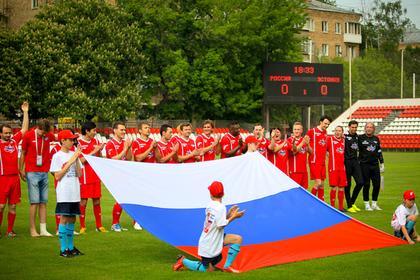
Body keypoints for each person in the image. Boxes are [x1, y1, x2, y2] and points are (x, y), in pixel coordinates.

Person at [173, 181, 245, 273]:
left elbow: (218, 223)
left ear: (211, 194)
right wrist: (234, 216)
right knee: (209, 270)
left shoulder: (211, 205)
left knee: (237, 239)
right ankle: (183, 261)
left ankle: (227, 267)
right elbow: (220, 225)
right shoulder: (220, 207)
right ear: (223, 194)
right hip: (209, 243)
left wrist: (229, 214)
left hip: (212, 239)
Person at [50, 130, 84, 257]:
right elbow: (57, 176)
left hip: (75, 190)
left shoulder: (73, 154)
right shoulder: (57, 156)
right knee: (64, 217)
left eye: (73, 139)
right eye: (70, 139)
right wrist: (72, 159)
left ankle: (71, 247)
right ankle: (63, 249)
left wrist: (76, 159)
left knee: (73, 217)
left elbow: (79, 174)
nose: (72, 141)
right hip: (64, 192)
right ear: (62, 141)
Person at [20, 119, 55, 237]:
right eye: (43, 132)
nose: (45, 135)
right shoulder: (29, 135)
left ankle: (43, 229)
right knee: (34, 202)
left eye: (46, 132)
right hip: (32, 171)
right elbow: (23, 153)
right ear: (38, 128)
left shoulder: (48, 135)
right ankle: (32, 229)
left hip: (44, 171)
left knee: (43, 202)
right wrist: (21, 169)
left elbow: (58, 137)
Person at [0, 102, 29, 237]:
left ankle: (10, 231)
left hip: (14, 178)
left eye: (10, 133)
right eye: (5, 133)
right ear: (1, 134)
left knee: (13, 206)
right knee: (0, 206)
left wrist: (25, 112)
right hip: (2, 178)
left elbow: (24, 129)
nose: (8, 135)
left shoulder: (14, 141)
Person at [78, 121, 107, 234]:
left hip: (95, 176)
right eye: (93, 130)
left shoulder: (96, 141)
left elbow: (99, 158)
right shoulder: (79, 143)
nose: (95, 132)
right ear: (87, 131)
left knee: (97, 201)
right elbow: (80, 160)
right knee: (83, 202)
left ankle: (99, 225)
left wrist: (99, 151)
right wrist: (94, 151)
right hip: (84, 177)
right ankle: (82, 226)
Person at [106, 122, 132, 232]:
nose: (124, 132)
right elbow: (113, 159)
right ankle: (114, 223)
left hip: (124, 174)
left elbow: (129, 158)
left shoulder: (124, 143)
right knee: (119, 199)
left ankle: (117, 223)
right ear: (115, 130)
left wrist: (129, 148)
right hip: (114, 174)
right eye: (121, 130)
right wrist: (125, 149)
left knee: (123, 199)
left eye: (124, 130)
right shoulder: (110, 144)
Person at [131, 122, 156, 230]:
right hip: (140, 174)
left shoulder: (152, 142)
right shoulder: (136, 142)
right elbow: (139, 158)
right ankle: (137, 221)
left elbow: (158, 158)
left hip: (151, 173)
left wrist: (156, 148)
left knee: (150, 198)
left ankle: (148, 220)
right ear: (140, 131)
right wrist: (151, 148)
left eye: (149, 127)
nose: (148, 129)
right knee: (139, 198)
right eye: (145, 128)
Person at [358, 122, 384, 211]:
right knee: (366, 185)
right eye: (367, 127)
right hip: (364, 165)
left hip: (375, 165)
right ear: (365, 128)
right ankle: (366, 204)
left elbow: (379, 151)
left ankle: (374, 203)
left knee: (377, 185)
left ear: (373, 129)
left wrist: (382, 163)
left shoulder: (376, 139)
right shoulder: (360, 138)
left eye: (371, 127)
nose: (369, 128)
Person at [307, 115, 331, 201]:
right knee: (318, 182)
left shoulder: (325, 133)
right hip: (314, 161)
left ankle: (322, 202)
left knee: (322, 184)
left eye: (328, 124)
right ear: (320, 122)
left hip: (322, 162)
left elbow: (324, 147)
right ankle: (310, 201)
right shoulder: (311, 131)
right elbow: (306, 145)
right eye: (325, 123)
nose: (326, 125)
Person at [326, 126, 347, 212]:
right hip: (333, 167)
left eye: (339, 131)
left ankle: (341, 207)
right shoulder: (330, 139)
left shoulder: (344, 141)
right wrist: (330, 157)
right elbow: (325, 150)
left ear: (342, 132)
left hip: (342, 168)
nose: (338, 132)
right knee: (334, 187)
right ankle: (332, 207)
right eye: (336, 130)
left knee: (341, 187)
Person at [344, 120, 363, 213]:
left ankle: (351, 202)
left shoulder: (357, 137)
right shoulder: (344, 137)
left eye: (355, 127)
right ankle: (349, 206)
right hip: (346, 163)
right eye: (352, 127)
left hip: (355, 162)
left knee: (360, 182)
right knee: (348, 185)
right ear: (349, 127)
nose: (354, 129)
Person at [287, 122, 312, 190]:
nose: (296, 131)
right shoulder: (289, 140)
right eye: (295, 129)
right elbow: (294, 152)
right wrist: (303, 142)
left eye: (298, 129)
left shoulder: (304, 140)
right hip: (294, 171)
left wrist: (308, 144)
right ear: (292, 130)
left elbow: (311, 152)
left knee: (304, 191)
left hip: (304, 171)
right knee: (295, 191)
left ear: (302, 130)